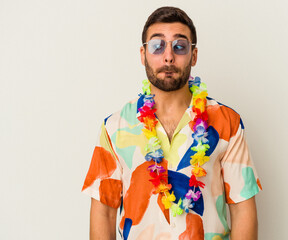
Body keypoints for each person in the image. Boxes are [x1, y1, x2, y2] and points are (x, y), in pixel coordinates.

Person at [82, 6, 262, 240]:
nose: (168, 56)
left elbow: (242, 210)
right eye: (157, 46)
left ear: (193, 55)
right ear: (143, 54)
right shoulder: (114, 127)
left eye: (179, 46)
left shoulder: (227, 123)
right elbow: (104, 213)